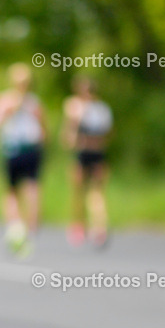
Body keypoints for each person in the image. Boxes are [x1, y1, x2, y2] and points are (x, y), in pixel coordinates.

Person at [0, 63, 46, 255]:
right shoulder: (34, 102)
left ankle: (16, 228)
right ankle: (31, 232)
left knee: (11, 191)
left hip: (13, 149)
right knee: (32, 188)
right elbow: (44, 130)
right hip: (32, 148)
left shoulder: (3, 100)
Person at [61, 77, 113, 247]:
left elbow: (70, 135)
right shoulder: (101, 109)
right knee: (85, 192)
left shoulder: (79, 108)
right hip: (93, 152)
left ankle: (92, 227)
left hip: (87, 152)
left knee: (89, 192)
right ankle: (89, 226)